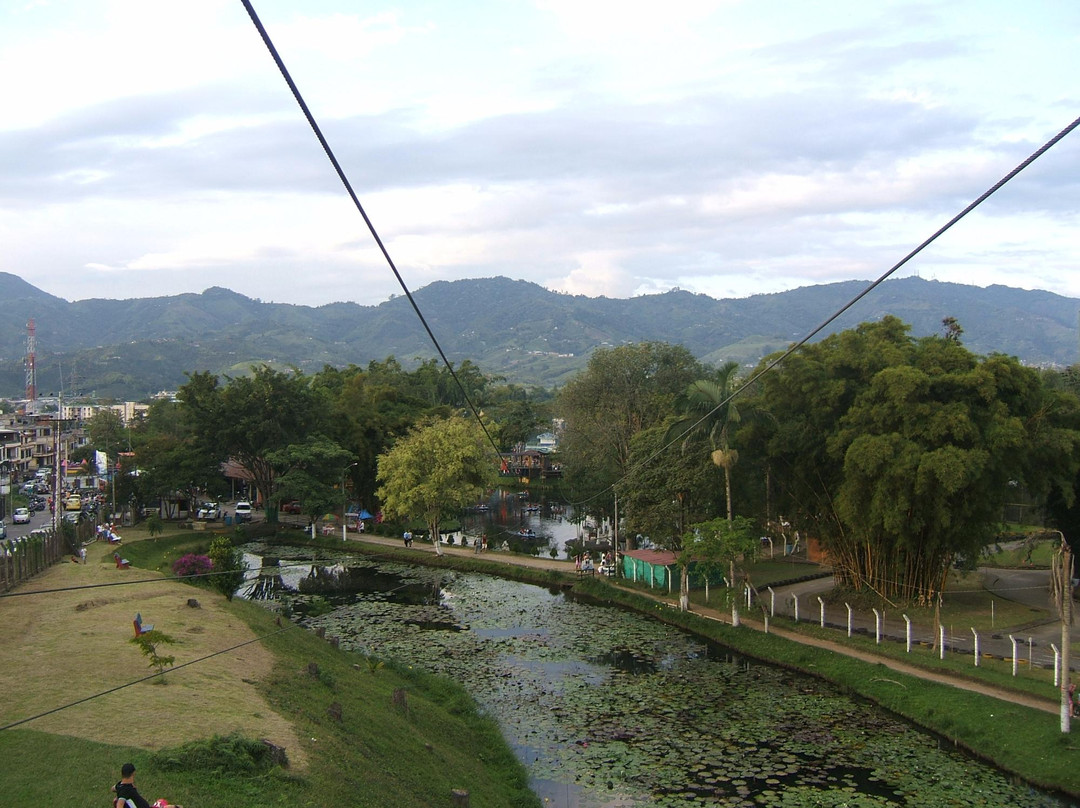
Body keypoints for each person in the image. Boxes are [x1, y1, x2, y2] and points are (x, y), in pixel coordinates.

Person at [111, 762, 183, 808]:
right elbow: (119, 805)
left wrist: (117, 790)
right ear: (133, 773)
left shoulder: (120, 785)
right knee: (163, 803)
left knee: (161, 802)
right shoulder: (124, 791)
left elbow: (113, 788)